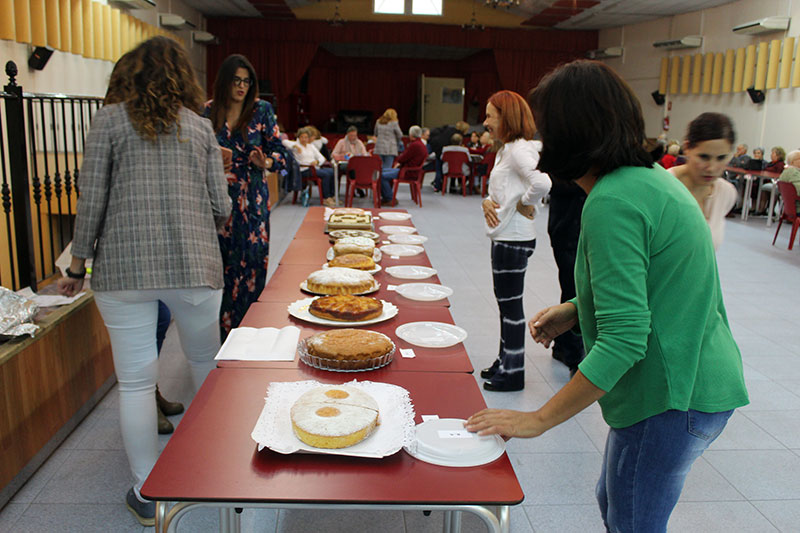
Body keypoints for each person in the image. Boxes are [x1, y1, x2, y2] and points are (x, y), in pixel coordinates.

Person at [466, 60, 748, 532]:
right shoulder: (647, 180)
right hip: (691, 380)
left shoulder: (613, 200)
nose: (539, 141)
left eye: (546, 126)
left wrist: (536, 419)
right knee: (616, 500)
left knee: (632, 520)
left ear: (571, 133)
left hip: (674, 395)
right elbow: (659, 283)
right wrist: (577, 309)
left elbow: (624, 337)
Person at [58, 36, 231, 526]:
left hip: (123, 268)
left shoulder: (108, 122)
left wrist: (77, 268)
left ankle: (147, 492)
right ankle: (210, 470)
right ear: (183, 79)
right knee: (203, 364)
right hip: (194, 265)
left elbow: (91, 203)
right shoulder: (199, 129)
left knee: (135, 383)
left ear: (126, 76)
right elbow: (221, 209)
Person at [104, 50, 185, 436]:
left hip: (152, 241)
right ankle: (144, 398)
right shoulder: (115, 126)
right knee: (144, 330)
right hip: (126, 248)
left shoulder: (145, 122)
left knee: (161, 317)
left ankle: (150, 393)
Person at [205, 54, 287, 337]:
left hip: (252, 199)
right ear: (224, 82)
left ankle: (250, 335)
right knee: (222, 270)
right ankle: (223, 335)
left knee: (252, 267)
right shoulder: (207, 113)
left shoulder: (261, 110)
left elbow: (281, 152)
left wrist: (266, 163)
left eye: (246, 81)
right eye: (236, 80)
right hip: (217, 199)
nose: (241, 86)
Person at [479, 90, 551, 392]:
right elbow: (502, 191)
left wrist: (525, 202)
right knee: (505, 305)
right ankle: (505, 361)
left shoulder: (519, 150)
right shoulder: (507, 149)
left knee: (511, 308)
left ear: (505, 117)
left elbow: (543, 182)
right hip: (507, 236)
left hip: (513, 239)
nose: (485, 123)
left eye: (490, 116)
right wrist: (487, 200)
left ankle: (514, 372)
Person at [668, 113, 738, 250]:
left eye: (721, 158)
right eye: (704, 157)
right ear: (687, 148)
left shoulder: (726, 193)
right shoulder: (663, 188)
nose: (711, 168)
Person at [547, 180, 586, 375]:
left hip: (572, 231)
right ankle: (573, 354)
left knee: (571, 290)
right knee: (573, 290)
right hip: (567, 231)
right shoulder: (568, 164)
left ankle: (563, 346)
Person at [284, 127, 337, 207]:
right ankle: (325, 198)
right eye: (302, 137)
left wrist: (317, 161)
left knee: (331, 172)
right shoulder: (296, 146)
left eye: (305, 137)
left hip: (314, 168)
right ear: (298, 137)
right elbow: (284, 141)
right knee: (326, 175)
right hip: (303, 170)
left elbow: (322, 158)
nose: (304, 139)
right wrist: (295, 146)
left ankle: (331, 196)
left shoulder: (311, 146)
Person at [379, 125, 428, 204]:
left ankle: (389, 198)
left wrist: (398, 162)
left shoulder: (414, 145)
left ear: (411, 135)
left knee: (381, 176)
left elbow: (402, 158)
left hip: (407, 172)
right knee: (382, 170)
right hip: (413, 171)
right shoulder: (421, 145)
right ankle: (386, 196)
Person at [430, 120, 470, 192]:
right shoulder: (458, 136)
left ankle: (437, 186)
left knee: (439, 169)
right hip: (446, 152)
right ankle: (451, 186)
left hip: (438, 147)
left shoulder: (449, 130)